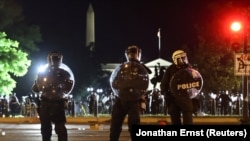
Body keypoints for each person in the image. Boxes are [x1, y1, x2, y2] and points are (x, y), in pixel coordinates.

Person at [109, 45, 151, 141]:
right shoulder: (122, 67)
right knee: (115, 126)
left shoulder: (141, 68)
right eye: (129, 53)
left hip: (135, 99)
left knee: (134, 125)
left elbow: (146, 78)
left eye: (133, 53)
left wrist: (143, 100)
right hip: (121, 98)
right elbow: (115, 79)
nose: (131, 55)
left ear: (138, 54)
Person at [32, 51, 74, 141]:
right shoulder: (62, 73)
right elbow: (37, 87)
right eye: (54, 59)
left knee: (56, 128)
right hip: (50, 102)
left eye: (56, 59)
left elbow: (68, 87)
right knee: (51, 128)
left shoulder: (63, 73)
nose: (55, 61)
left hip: (55, 102)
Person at [160, 50, 203, 125]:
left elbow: (195, 82)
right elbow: (163, 85)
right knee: (176, 120)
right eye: (181, 58)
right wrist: (167, 95)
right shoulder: (170, 70)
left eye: (184, 58)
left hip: (185, 98)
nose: (183, 60)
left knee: (188, 120)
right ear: (176, 59)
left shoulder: (189, 69)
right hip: (174, 99)